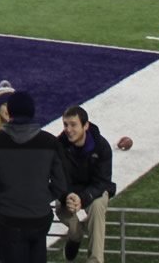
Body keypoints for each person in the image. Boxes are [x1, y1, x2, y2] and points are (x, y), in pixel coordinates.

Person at [0, 91, 69, 263]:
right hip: (39, 218)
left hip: (9, 219)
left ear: (9, 112)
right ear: (32, 112)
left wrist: (2, 198)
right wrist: (42, 198)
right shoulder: (50, 143)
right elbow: (61, 183)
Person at [58, 104, 117, 263]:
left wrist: (82, 199)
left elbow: (103, 182)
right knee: (60, 208)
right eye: (65, 124)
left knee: (97, 207)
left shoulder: (101, 146)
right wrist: (67, 196)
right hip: (69, 192)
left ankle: (95, 260)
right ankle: (76, 236)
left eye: (73, 124)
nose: (68, 129)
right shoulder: (59, 146)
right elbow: (57, 178)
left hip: (94, 191)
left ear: (86, 125)